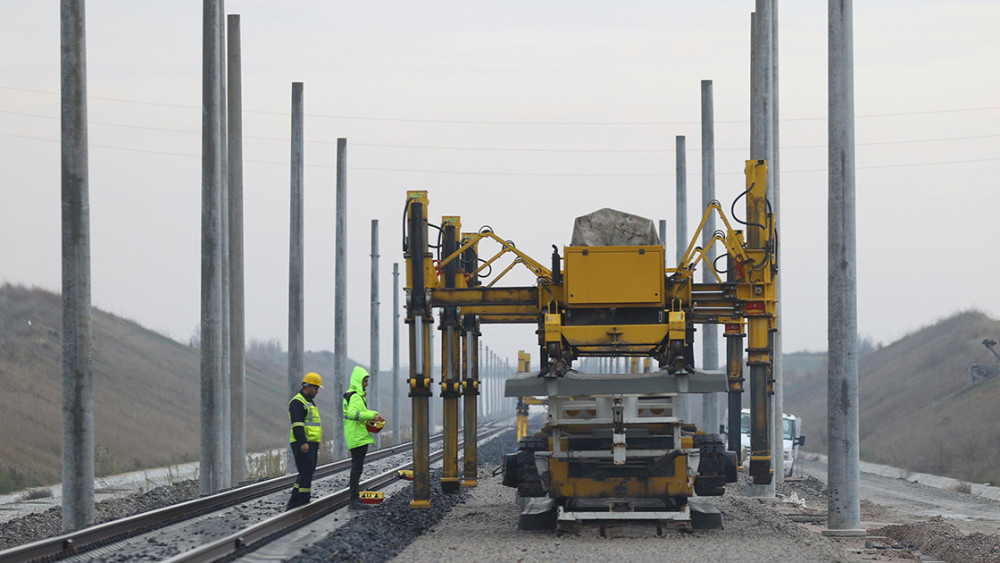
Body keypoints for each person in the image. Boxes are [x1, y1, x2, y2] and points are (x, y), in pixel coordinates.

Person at [343, 365, 386, 510]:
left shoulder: (355, 395)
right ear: (358, 381)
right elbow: (353, 414)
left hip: (357, 435)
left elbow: (362, 411)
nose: (367, 384)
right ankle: (353, 500)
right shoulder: (355, 396)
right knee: (356, 468)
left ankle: (354, 498)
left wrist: (374, 414)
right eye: (365, 381)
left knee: (357, 467)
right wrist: (372, 416)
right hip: (357, 436)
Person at [286, 372, 324, 511]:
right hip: (301, 443)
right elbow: (297, 424)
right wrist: (303, 442)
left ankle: (294, 502)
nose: (317, 391)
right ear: (308, 387)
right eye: (316, 388)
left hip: (310, 443)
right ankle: (303, 502)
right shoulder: (297, 402)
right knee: (306, 472)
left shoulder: (308, 401)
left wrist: (316, 441)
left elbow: (313, 425)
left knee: (306, 472)